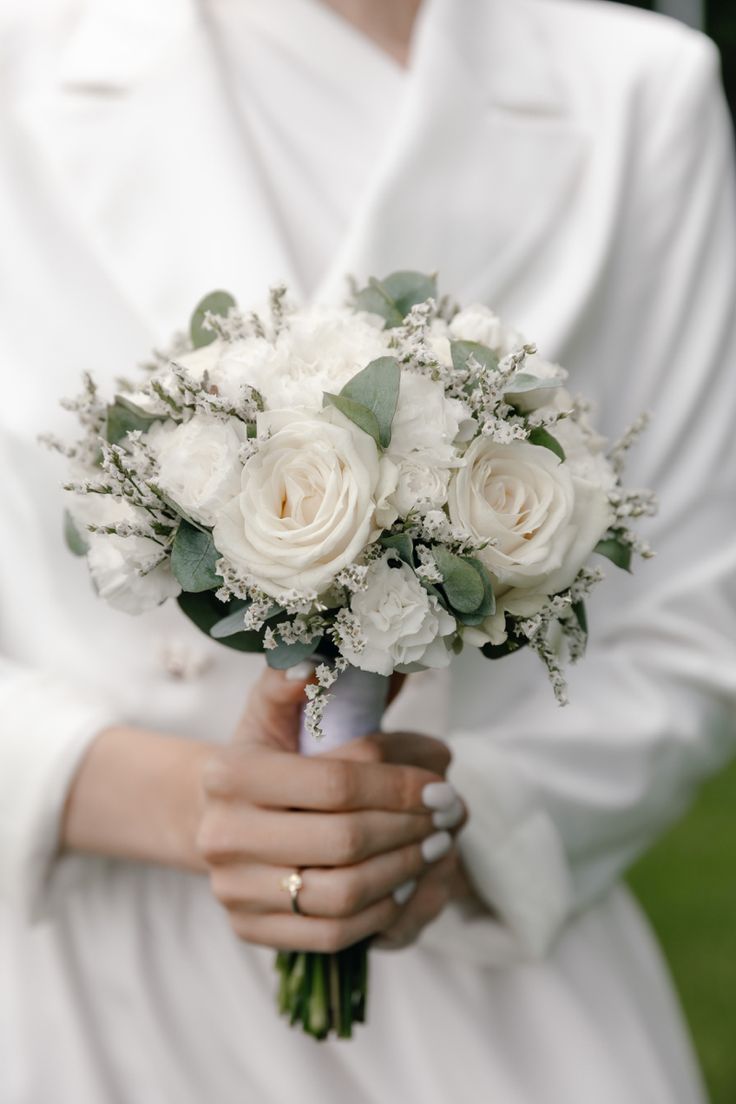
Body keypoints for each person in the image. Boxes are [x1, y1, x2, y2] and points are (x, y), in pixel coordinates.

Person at [2, 0, 736, 1100]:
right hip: (80, 984)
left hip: (482, 997)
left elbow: (695, 613)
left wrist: (443, 834)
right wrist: (189, 801)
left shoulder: (639, 93)